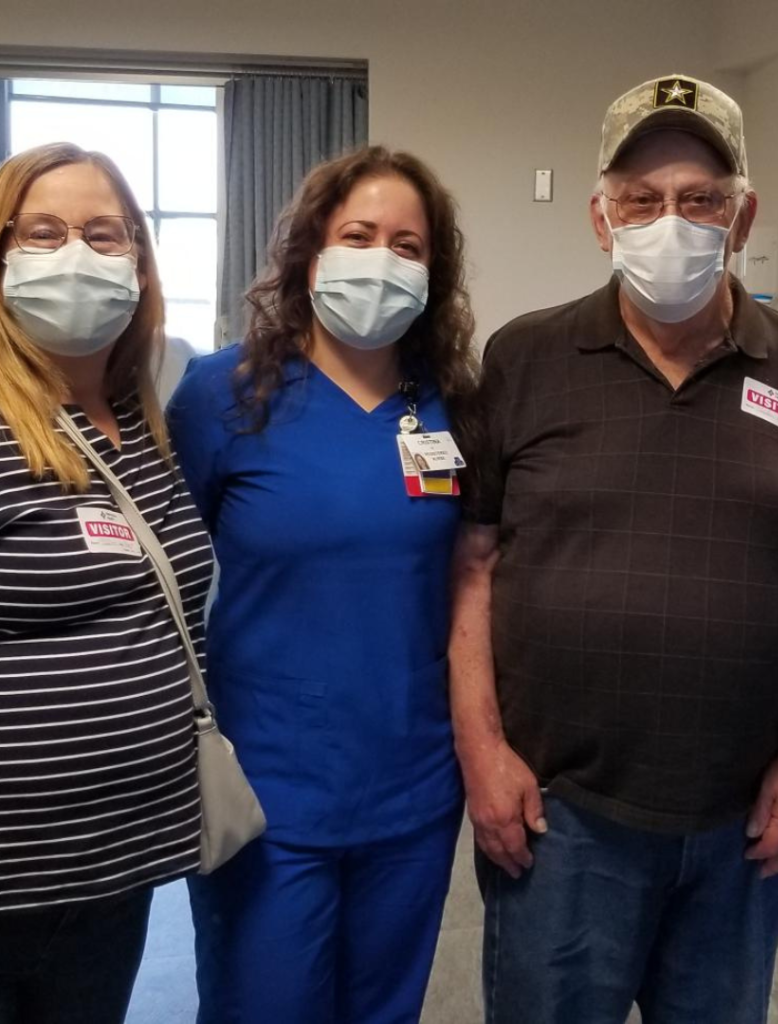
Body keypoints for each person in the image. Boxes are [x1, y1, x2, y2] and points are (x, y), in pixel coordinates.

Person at [450, 73, 778, 1024]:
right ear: (602, 219)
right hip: (560, 812)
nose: (670, 221)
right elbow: (474, 564)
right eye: (642, 199)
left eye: (701, 199)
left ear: (743, 216)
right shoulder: (525, 358)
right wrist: (482, 751)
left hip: (741, 818)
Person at [167, 145, 477, 1024]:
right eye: (358, 235)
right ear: (311, 252)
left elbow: (474, 579)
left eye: (408, 246)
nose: (382, 260)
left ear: (433, 272)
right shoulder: (221, 395)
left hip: (413, 783)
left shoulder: (453, 405)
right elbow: (164, 577)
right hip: (267, 788)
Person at [0, 143, 213, 1023]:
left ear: (139, 261)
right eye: (43, 233)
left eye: (102, 234)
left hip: (116, 862)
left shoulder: (140, 413)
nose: (75, 256)